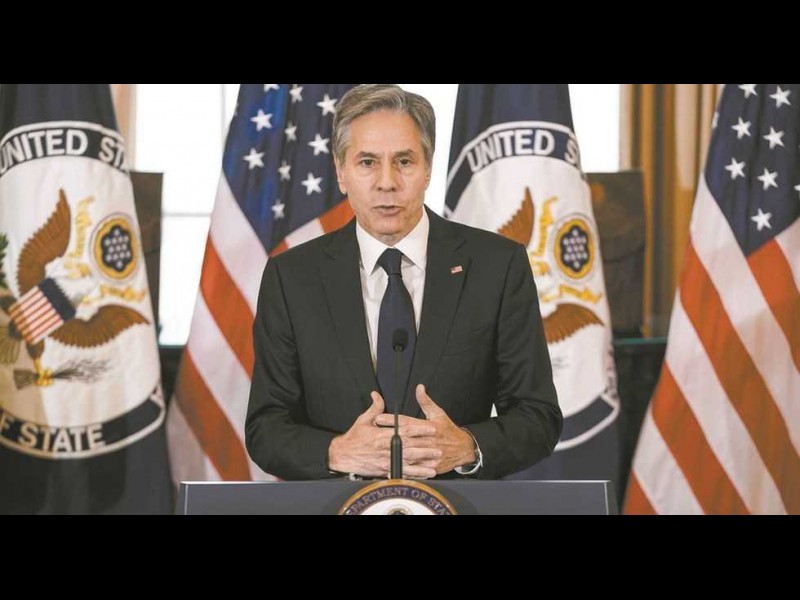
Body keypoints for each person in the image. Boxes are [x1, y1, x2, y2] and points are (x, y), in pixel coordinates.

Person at [245, 84, 562, 480]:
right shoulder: (291, 277)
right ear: (341, 172)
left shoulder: (497, 266)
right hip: (337, 502)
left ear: (428, 168)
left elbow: (538, 416)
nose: (387, 182)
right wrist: (336, 451)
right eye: (367, 162)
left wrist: (467, 446)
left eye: (404, 161)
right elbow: (266, 427)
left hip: (454, 501)